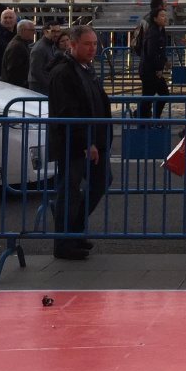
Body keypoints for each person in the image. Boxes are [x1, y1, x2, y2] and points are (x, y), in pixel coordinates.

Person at [47, 24, 112, 261]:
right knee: (69, 191)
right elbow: (68, 112)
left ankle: (73, 230)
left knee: (100, 182)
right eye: (87, 44)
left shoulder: (85, 67)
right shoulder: (64, 72)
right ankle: (64, 242)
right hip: (74, 144)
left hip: (93, 139)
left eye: (94, 44)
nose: (93, 48)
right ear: (73, 44)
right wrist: (86, 142)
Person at [138, 5, 169, 120]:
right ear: (155, 19)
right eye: (162, 16)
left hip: (151, 70)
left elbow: (160, 51)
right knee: (150, 96)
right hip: (149, 71)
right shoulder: (153, 34)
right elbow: (152, 54)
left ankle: (148, 120)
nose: (165, 18)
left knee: (151, 96)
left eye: (165, 15)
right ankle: (146, 121)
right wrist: (159, 68)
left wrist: (165, 60)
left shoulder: (160, 32)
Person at [28, 21, 62, 94]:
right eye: (53, 31)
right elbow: (36, 71)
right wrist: (49, 85)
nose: (56, 34)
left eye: (58, 32)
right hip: (39, 88)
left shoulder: (50, 46)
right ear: (45, 32)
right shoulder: (40, 48)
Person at [0, 19, 35, 88]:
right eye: (32, 30)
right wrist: (22, 84)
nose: (34, 33)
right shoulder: (17, 46)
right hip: (15, 87)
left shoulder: (20, 44)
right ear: (24, 30)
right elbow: (14, 69)